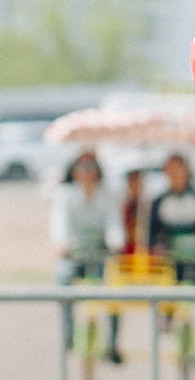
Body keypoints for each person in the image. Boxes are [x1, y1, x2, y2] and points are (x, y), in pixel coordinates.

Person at [146, 152, 195, 376]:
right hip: (173, 263)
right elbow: (152, 238)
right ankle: (168, 320)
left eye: (179, 169)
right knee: (166, 287)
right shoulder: (160, 202)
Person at [51, 150, 122, 364]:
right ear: (74, 172)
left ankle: (112, 342)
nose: (86, 173)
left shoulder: (106, 195)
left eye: (90, 168)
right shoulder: (65, 195)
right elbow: (59, 225)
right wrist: (62, 244)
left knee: (113, 289)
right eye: (81, 168)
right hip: (75, 255)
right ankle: (68, 335)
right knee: (64, 280)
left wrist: (115, 241)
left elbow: (113, 225)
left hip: (100, 255)